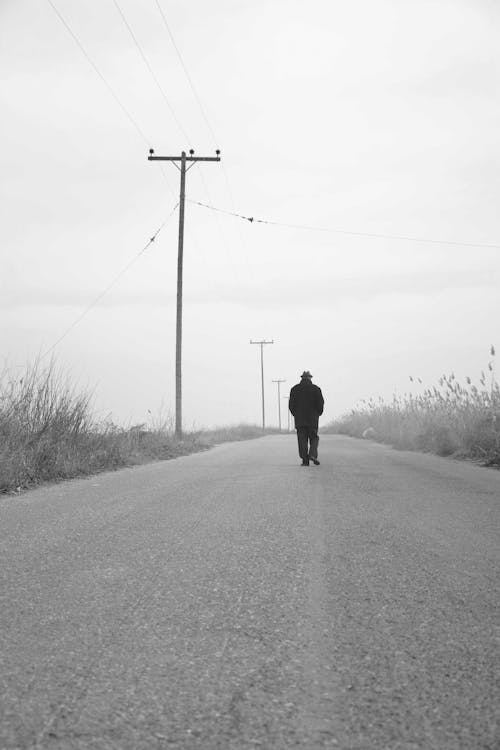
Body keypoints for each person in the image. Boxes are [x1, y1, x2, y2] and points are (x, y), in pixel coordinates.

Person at [289, 371, 324, 466]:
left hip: (300, 419)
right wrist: (318, 413)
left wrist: (295, 414)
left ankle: (305, 461)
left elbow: (291, 405)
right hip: (313, 419)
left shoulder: (294, 389)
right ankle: (312, 454)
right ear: (310, 378)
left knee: (302, 440)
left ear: (302, 378)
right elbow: (320, 404)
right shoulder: (316, 389)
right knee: (314, 438)